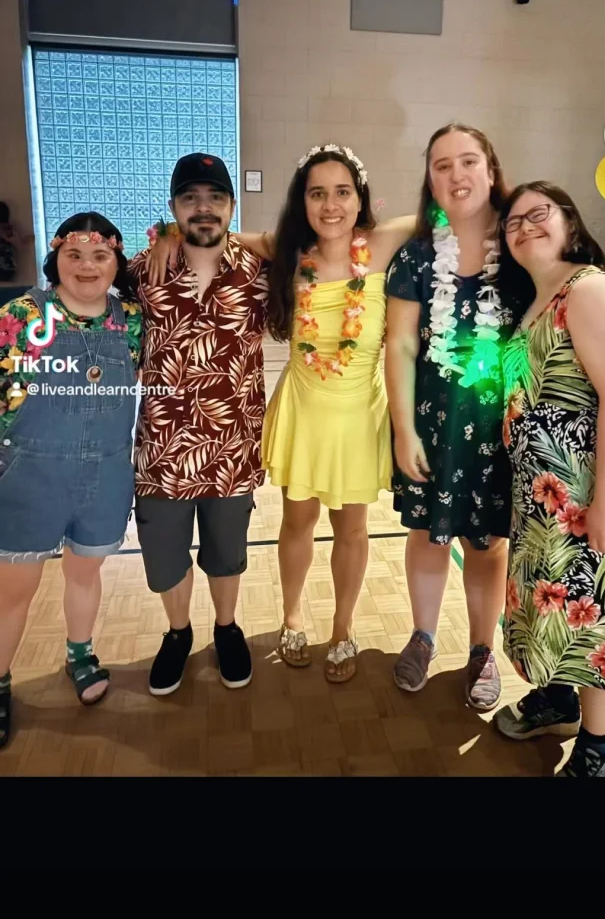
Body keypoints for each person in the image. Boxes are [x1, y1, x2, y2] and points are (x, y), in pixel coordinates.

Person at [149, 143, 417, 683]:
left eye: (343, 191)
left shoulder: (383, 244)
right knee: (297, 521)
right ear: (302, 201)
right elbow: (226, 235)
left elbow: (440, 215)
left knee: (354, 528)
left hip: (359, 412)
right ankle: (293, 616)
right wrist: (171, 233)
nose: (331, 204)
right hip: (304, 408)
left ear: (360, 197)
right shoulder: (289, 250)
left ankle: (343, 627)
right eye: (317, 193)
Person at [493, 181, 605, 778]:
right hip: (542, 500)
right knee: (551, 609)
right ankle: (557, 700)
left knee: (596, 614)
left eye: (539, 214)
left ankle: (598, 746)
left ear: (570, 223)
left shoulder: (591, 288)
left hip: (590, 493)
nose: (525, 226)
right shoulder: (534, 298)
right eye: (513, 221)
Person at [384, 123, 514, 710]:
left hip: (501, 425)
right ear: (430, 179)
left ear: (491, 170)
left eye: (468, 162)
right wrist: (403, 428)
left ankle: (483, 651)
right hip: (434, 418)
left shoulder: (520, 248)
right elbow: (402, 344)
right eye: (442, 165)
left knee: (487, 543)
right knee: (427, 533)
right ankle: (424, 634)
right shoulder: (414, 255)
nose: (456, 175)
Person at [0, 213, 142, 749]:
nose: (87, 266)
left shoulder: (130, 320)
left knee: (85, 573)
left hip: (104, 472)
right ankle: (0, 680)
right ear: (55, 258)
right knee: (14, 591)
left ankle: (80, 654)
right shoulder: (22, 315)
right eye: (75, 255)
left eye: (101, 256)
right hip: (30, 474)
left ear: (116, 262)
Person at [130, 153, 269, 697]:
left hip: (233, 446)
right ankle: (178, 633)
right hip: (162, 451)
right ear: (172, 208)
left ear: (232, 206)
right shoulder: (143, 271)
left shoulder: (259, 272)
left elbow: (308, 243)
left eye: (215, 197)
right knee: (165, 558)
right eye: (190, 199)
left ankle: (227, 628)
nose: (203, 208)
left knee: (226, 553)